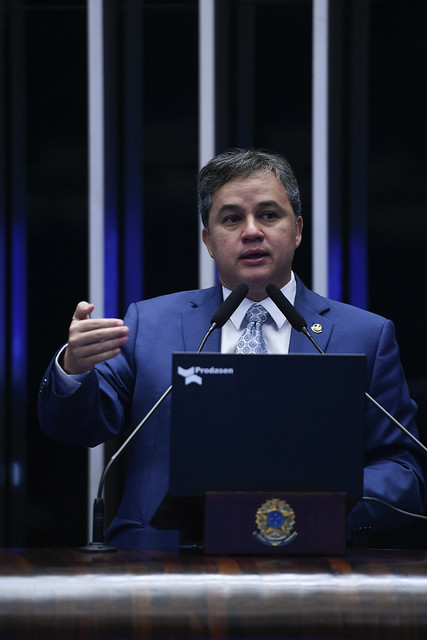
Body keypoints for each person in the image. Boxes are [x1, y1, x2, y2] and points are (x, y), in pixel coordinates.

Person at [38, 148, 426, 549]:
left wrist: (325, 505)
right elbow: (76, 428)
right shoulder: (149, 325)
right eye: (232, 219)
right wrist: (74, 370)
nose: (252, 231)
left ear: (297, 230)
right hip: (158, 562)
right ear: (208, 240)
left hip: (312, 559)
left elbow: (404, 472)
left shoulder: (365, 335)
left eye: (269, 215)